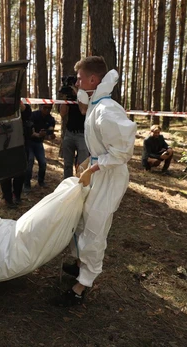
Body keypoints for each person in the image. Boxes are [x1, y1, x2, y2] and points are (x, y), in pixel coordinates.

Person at [56, 56, 137, 307]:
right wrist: (89, 160)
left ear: (93, 80)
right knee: (83, 220)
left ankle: (83, 284)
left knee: (95, 227)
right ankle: (80, 264)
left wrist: (96, 167)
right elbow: (101, 143)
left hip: (108, 178)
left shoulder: (107, 109)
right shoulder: (96, 105)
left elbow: (122, 151)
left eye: (80, 79)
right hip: (97, 173)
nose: (77, 83)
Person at [0, 102, 32, 208]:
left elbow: (27, 113)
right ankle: (8, 198)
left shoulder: (23, 107)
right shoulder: (0, 107)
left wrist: (17, 101)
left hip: (21, 142)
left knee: (20, 171)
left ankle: (16, 195)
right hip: (6, 142)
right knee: (6, 172)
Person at [59, 79, 89, 179]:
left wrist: (77, 94)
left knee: (82, 164)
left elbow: (83, 111)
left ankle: (79, 184)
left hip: (82, 134)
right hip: (69, 133)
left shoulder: (86, 96)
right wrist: (65, 99)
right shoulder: (70, 98)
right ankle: (67, 184)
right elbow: (63, 113)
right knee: (67, 164)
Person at [24, 104, 56, 190]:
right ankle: (26, 184)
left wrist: (50, 135)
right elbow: (29, 131)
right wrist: (38, 134)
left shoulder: (51, 119)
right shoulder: (33, 115)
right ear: (41, 107)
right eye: (45, 108)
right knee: (29, 161)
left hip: (38, 143)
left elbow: (49, 134)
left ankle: (41, 181)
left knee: (43, 163)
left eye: (49, 108)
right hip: (29, 142)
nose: (47, 110)